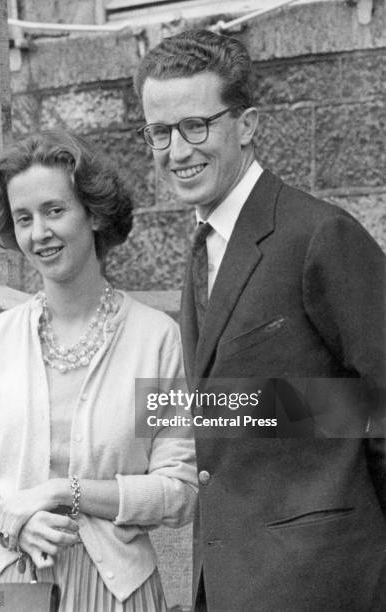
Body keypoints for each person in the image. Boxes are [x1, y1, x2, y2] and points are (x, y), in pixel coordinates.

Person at [134, 29, 386, 611]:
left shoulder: (320, 235)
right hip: (228, 583)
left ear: (246, 125)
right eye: (159, 132)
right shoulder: (203, 246)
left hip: (326, 582)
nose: (177, 151)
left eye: (196, 125)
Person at [0, 130, 197, 611]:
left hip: (115, 589)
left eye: (55, 210)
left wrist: (65, 493)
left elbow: (177, 490)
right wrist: (5, 517)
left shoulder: (155, 341)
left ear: (93, 213)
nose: (39, 232)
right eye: (23, 218)